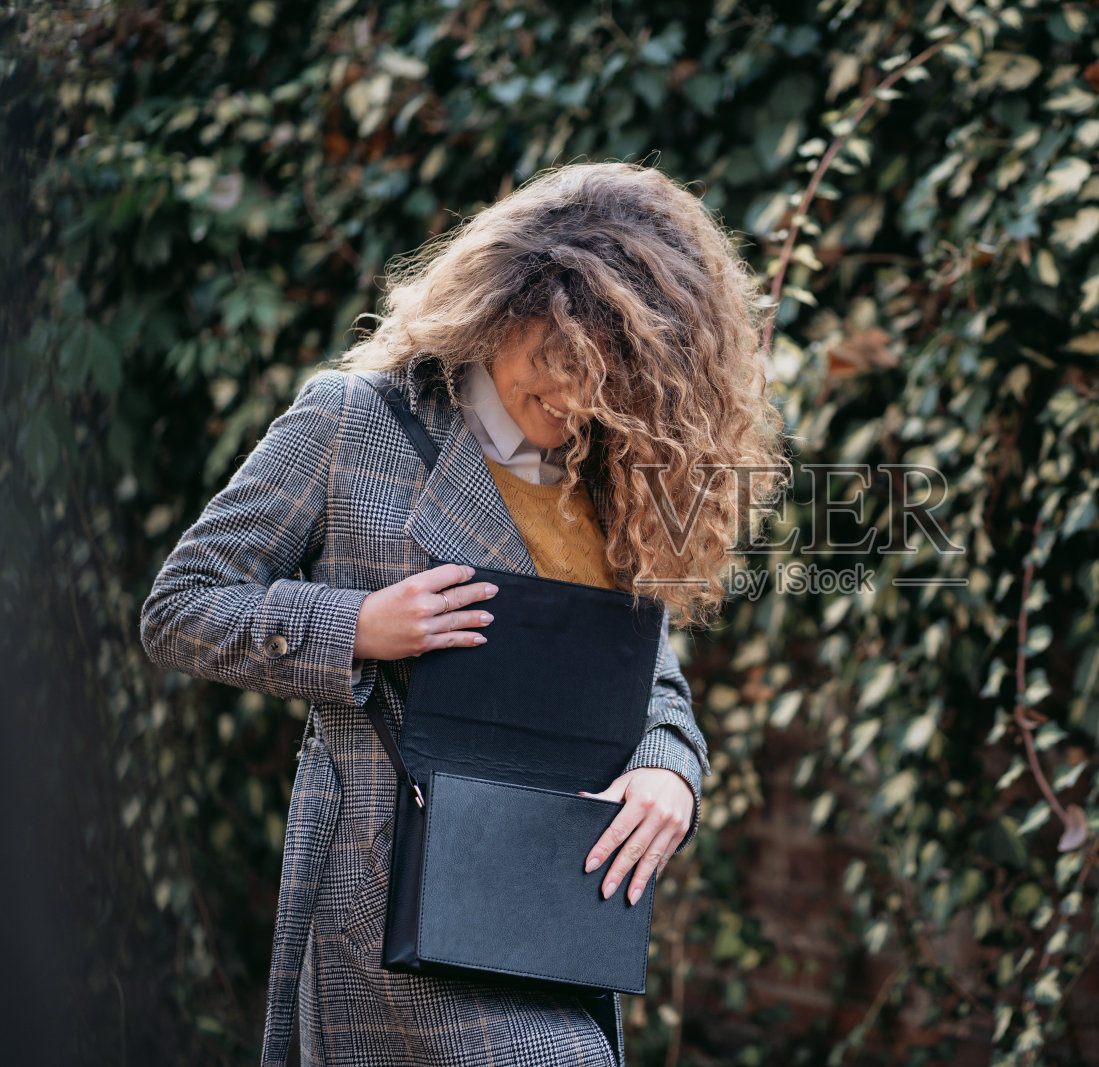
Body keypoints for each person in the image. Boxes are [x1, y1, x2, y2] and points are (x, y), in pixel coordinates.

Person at [139, 161, 790, 1067]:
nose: (571, 399)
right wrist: (358, 624)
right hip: (391, 895)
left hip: (557, 903)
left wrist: (670, 771)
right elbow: (181, 606)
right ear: (503, 307)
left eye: (604, 379)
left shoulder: (615, 474)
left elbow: (651, 681)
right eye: (554, 362)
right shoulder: (351, 419)